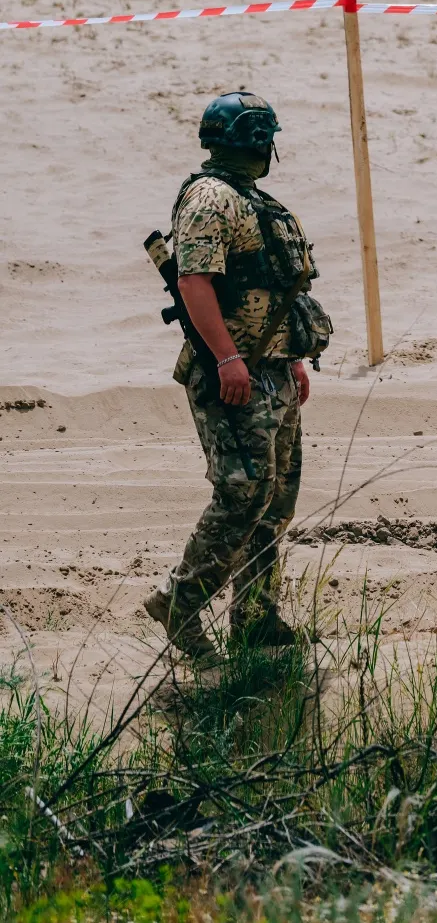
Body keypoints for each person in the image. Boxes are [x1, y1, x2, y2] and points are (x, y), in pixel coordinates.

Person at [144, 92, 332, 662]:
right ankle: (180, 602)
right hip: (234, 375)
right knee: (243, 494)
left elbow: (276, 291)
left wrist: (292, 359)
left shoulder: (253, 201)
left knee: (275, 500)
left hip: (270, 371)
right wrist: (227, 358)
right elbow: (195, 282)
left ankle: (253, 619)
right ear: (259, 142)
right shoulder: (210, 199)